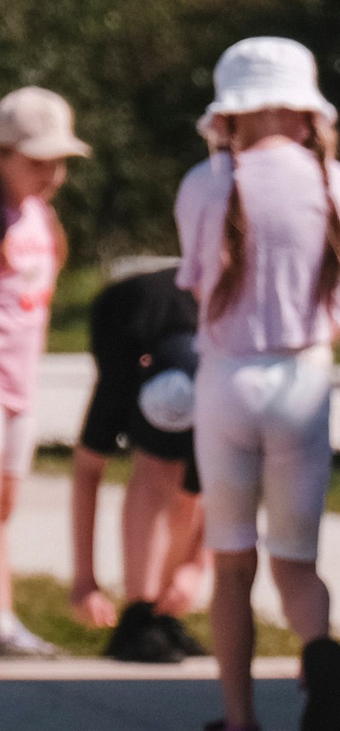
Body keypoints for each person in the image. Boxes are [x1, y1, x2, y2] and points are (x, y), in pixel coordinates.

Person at [175, 39, 340, 731]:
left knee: (232, 566)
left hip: (227, 381)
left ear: (229, 111)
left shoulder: (204, 184)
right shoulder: (335, 180)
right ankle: (318, 651)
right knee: (296, 561)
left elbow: (197, 281)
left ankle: (238, 727)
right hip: (303, 382)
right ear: (302, 106)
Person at [69, 257, 210, 662]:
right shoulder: (121, 370)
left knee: (191, 486)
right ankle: (140, 611)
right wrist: (84, 580)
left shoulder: (220, 393)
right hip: (128, 315)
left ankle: (161, 612)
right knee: (157, 473)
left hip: (201, 335)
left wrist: (198, 566)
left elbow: (230, 483)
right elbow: (87, 469)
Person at [0, 87, 85, 658]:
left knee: (4, 505)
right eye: (36, 162)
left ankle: (2, 619)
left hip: (19, 385)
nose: (51, 173)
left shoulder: (41, 216)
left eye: (59, 162)